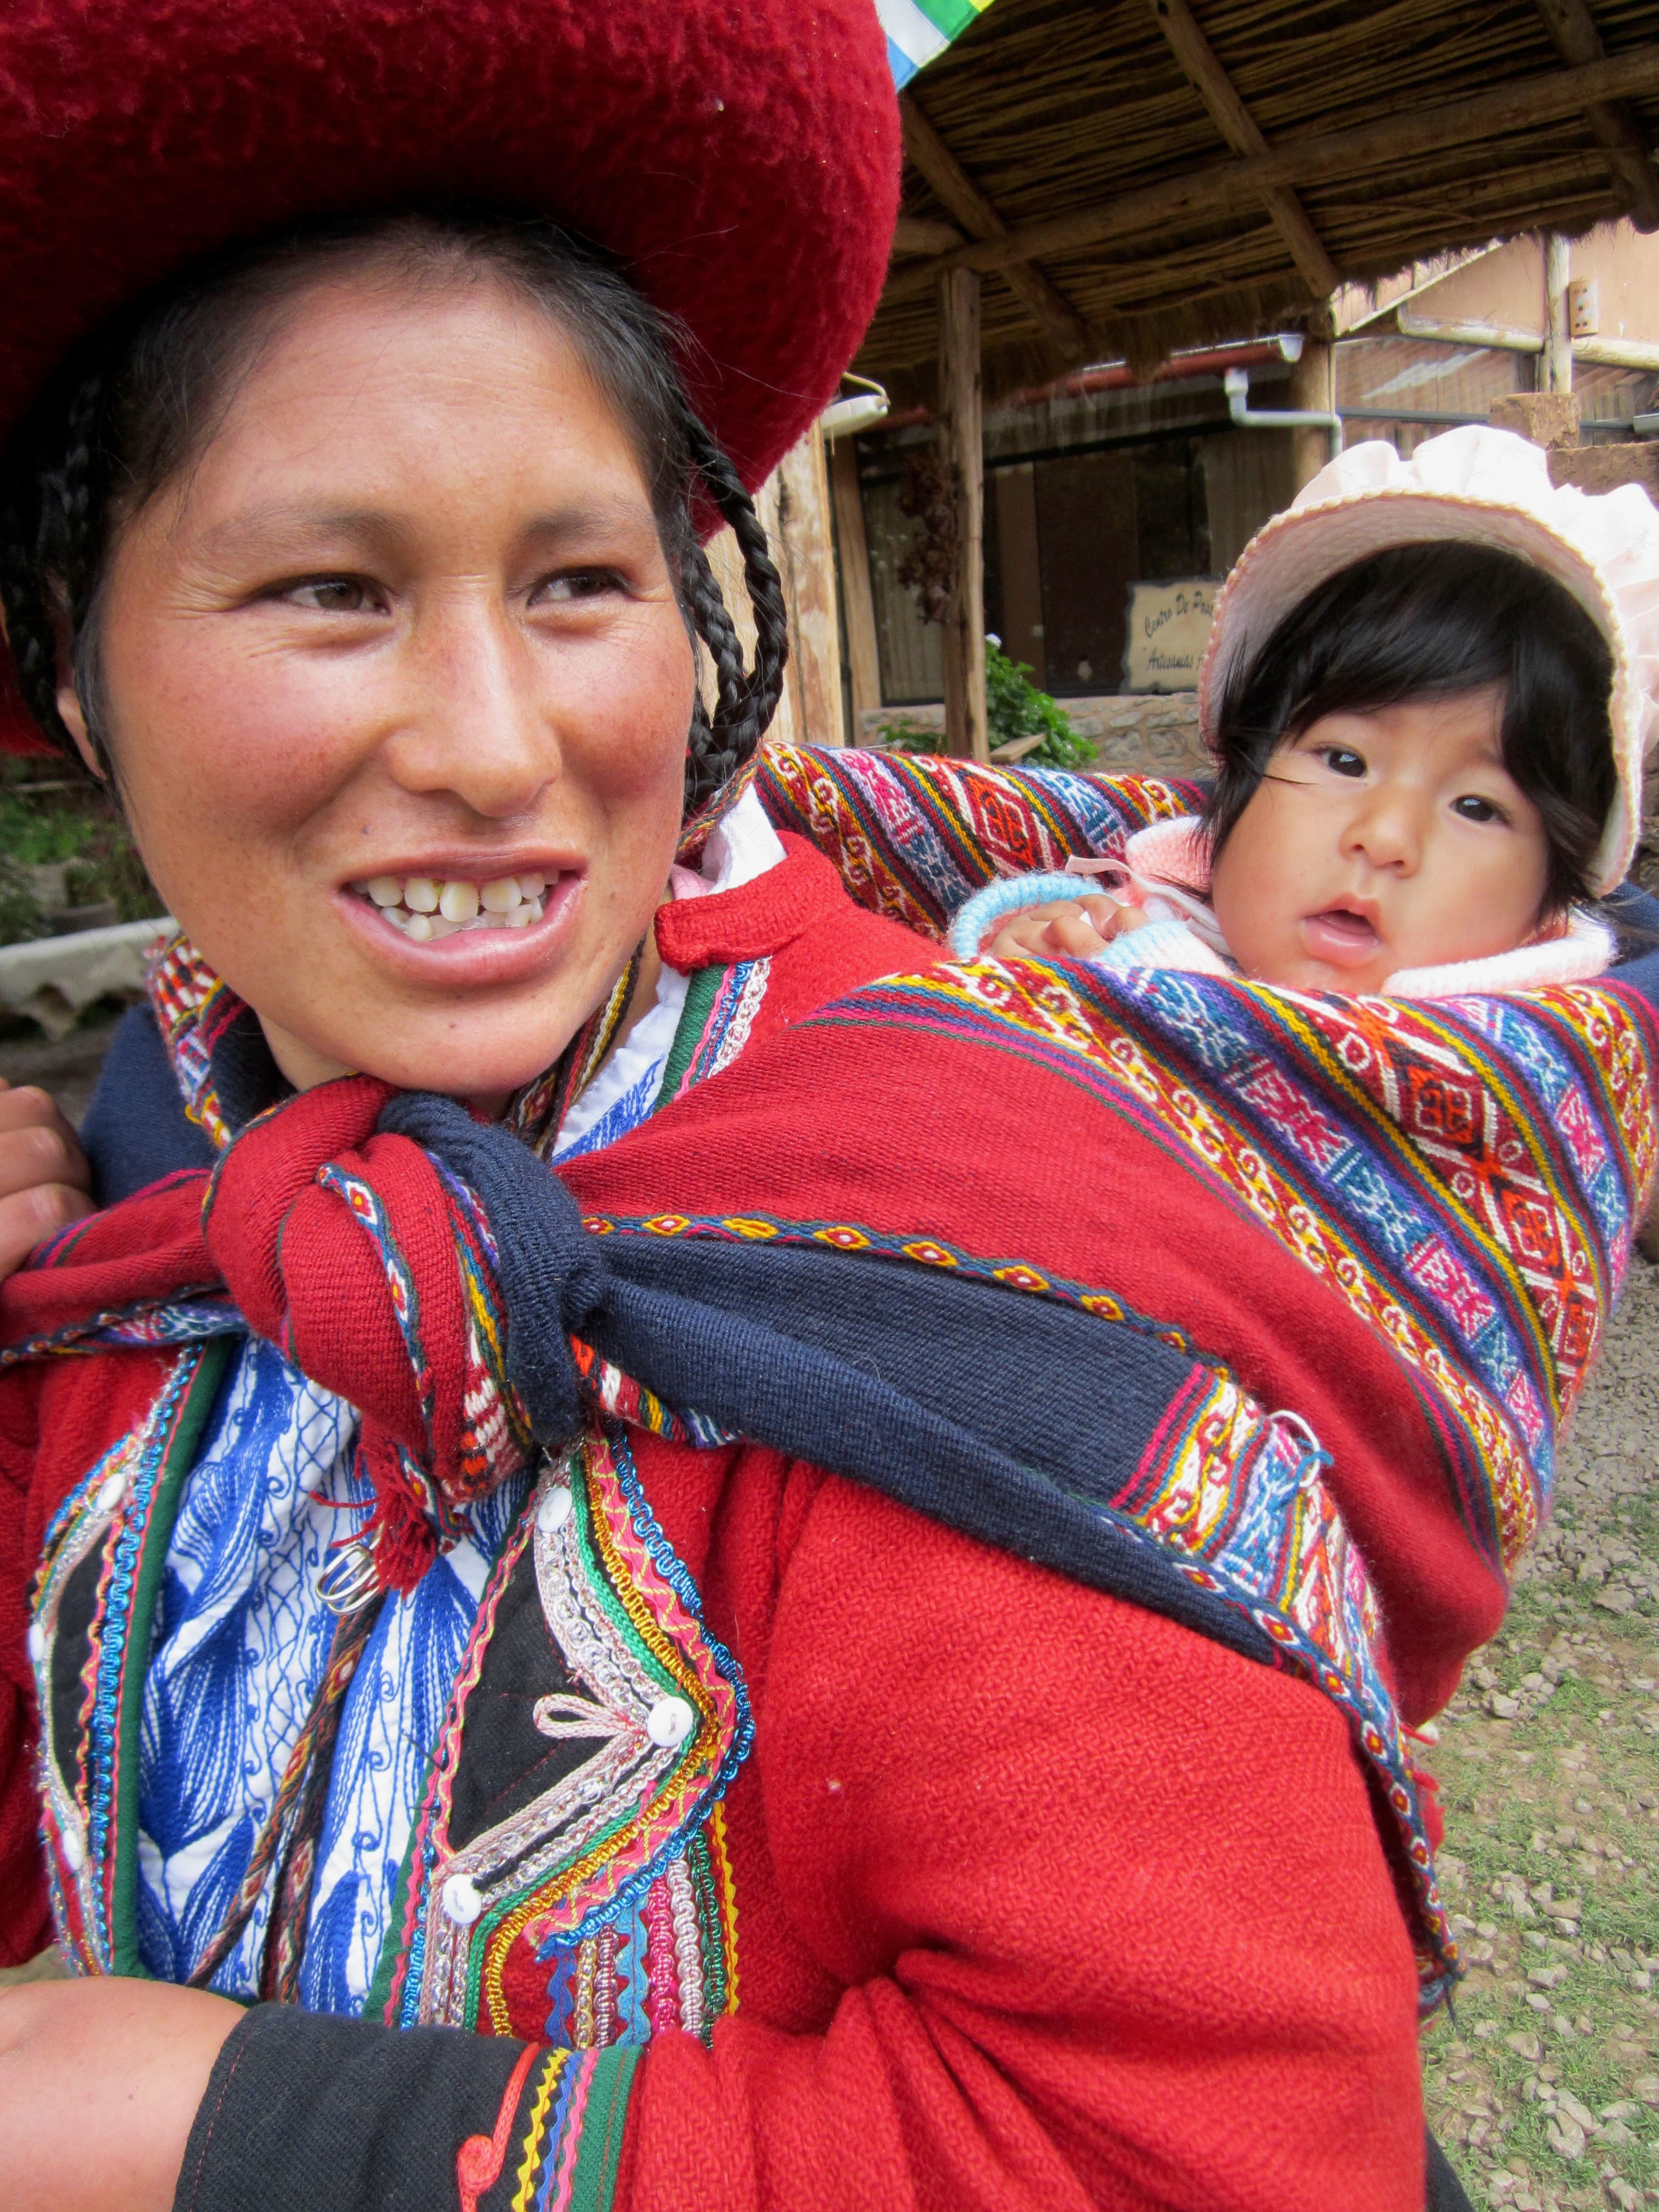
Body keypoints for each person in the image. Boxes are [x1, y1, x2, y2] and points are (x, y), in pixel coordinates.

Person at [0, 15, 1654, 2212]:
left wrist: (226, 2130)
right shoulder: (147, 1175)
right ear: (69, 661)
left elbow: (1208, 2158)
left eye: (582, 584)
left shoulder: (957, 1231)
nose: (499, 746)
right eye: (332, 590)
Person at [950, 432, 1657, 1002]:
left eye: (1477, 806)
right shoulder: (1145, 921)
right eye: (1345, 761)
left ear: (1545, 911)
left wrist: (1178, 998)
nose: (1384, 839)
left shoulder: (1537, 1051)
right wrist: (1028, 944)